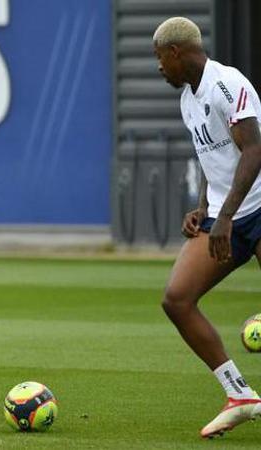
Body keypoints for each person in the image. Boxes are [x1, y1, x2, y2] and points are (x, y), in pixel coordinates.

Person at [154, 17, 261, 438]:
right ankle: (241, 395)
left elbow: (253, 151)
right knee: (177, 299)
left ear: (176, 53)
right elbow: (211, 159)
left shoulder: (226, 84)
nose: (159, 67)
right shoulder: (187, 99)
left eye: (159, 58)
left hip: (255, 207)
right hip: (225, 215)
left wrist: (228, 216)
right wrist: (203, 208)